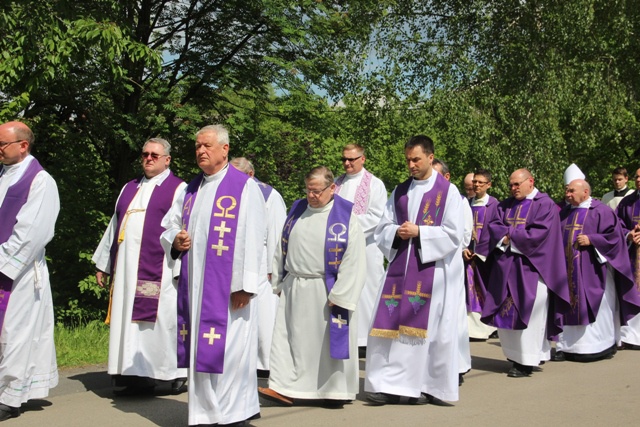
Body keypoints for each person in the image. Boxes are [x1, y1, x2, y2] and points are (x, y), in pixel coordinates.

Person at [161, 125, 265, 426]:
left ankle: (234, 414)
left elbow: (253, 236)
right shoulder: (190, 189)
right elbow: (169, 227)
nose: (200, 151)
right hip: (196, 288)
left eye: (207, 146)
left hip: (230, 289)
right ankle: (205, 414)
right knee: (203, 351)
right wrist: (175, 242)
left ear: (225, 149)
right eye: (197, 146)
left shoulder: (244, 187)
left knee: (231, 353)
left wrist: (245, 285)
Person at [365, 135, 465, 406]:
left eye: (416, 159)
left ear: (431, 157)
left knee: (425, 331)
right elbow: (382, 227)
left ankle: (422, 385)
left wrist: (420, 231)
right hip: (399, 267)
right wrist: (396, 231)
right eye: (408, 159)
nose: (410, 164)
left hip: (431, 271)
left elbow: (454, 233)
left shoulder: (448, 191)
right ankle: (386, 384)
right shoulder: (400, 191)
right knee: (389, 326)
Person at [258, 166, 366, 407]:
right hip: (295, 286)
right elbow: (281, 245)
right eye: (309, 190)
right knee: (289, 340)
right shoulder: (297, 209)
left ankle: (332, 392)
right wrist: (278, 280)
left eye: (317, 191)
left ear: (332, 188)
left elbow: (354, 259)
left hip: (326, 289)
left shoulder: (345, 215)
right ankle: (285, 387)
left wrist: (341, 294)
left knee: (324, 346)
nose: (312, 196)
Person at [92, 138, 187, 396]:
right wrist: (104, 263)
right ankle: (134, 374)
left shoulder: (179, 189)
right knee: (129, 320)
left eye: (155, 155)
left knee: (158, 320)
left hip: (161, 268)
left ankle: (173, 372)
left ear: (167, 159)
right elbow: (115, 225)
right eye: (145, 154)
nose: (148, 158)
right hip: (125, 270)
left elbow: (181, 227)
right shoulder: (129, 187)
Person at [478, 169, 570, 378]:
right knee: (505, 313)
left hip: (532, 269)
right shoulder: (505, 205)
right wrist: (506, 237)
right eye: (510, 185)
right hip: (505, 268)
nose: (513, 188)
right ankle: (514, 356)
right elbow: (493, 226)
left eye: (517, 184)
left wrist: (510, 236)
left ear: (531, 181)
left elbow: (540, 234)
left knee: (531, 315)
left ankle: (526, 361)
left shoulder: (544, 205)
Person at [0, 121, 59, 421]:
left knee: (15, 333)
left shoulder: (40, 181)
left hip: (19, 273)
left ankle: (11, 396)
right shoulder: (2, 175)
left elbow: (33, 232)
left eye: (3, 145)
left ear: (23, 145)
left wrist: (3, 262)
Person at [556, 179, 640, 361]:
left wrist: (593, 240)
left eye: (571, 191)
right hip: (568, 272)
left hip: (595, 271)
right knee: (567, 305)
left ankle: (600, 346)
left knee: (599, 307)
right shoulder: (563, 213)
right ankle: (567, 347)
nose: (567, 194)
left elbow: (615, 238)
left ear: (585, 192)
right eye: (567, 190)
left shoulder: (601, 211)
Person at [230, 157, 286, 375]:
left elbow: (277, 231)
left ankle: (265, 362)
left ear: (251, 174)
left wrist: (276, 267)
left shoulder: (269, 195)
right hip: (233, 259)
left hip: (263, 262)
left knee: (263, 313)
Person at [334, 144, 387, 350]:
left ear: (363, 159)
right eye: (344, 159)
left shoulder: (375, 184)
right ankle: (348, 336)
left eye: (352, 159)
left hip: (366, 246)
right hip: (339, 247)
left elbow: (376, 216)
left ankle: (368, 339)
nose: (347, 163)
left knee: (367, 291)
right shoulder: (336, 183)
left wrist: (347, 228)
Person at [433, 159, 472, 384]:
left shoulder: (458, 201)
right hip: (428, 265)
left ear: (446, 177)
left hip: (450, 266)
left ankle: (456, 366)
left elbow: (465, 235)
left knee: (452, 318)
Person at [464, 169, 498, 340]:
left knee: (483, 290)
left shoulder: (495, 205)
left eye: (480, 182)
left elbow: (496, 230)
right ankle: (471, 328)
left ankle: (486, 328)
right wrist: (465, 246)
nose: (476, 185)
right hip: (466, 255)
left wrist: (480, 250)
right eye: (475, 181)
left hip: (486, 257)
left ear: (489, 185)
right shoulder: (466, 203)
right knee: (468, 290)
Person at [615, 168, 640, 350]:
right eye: (637, 176)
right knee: (631, 292)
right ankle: (631, 337)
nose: (639, 180)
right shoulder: (627, 202)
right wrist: (628, 235)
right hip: (632, 255)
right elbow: (616, 226)